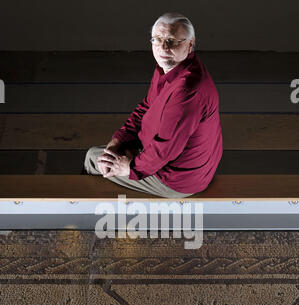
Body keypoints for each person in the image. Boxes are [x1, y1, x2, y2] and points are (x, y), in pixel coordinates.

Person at [84, 12, 223, 198]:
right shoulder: (169, 68)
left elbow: (165, 150)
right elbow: (145, 108)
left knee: (93, 158)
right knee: (107, 154)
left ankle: (81, 210)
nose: (163, 47)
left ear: (190, 44)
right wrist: (117, 141)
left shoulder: (187, 90)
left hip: (178, 178)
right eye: (157, 39)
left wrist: (130, 167)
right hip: (170, 159)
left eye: (172, 41)